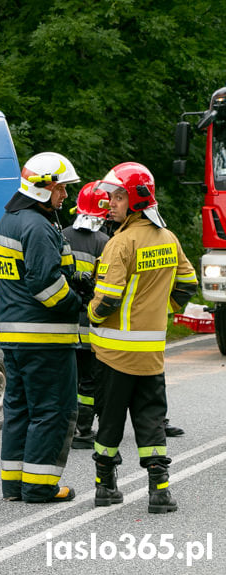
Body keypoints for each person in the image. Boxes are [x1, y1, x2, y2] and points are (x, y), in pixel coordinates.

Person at [87, 162, 197, 513]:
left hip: (114, 355)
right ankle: (160, 492)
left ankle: (105, 487)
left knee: (111, 422)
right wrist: (162, 309)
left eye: (118, 196)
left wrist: (89, 315)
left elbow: (107, 299)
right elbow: (188, 283)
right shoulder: (169, 238)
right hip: (151, 355)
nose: (110, 203)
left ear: (134, 200)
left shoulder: (120, 243)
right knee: (151, 422)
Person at [0, 152, 86, 503]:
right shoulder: (38, 226)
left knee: (20, 411)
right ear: (44, 187)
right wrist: (77, 301)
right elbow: (44, 285)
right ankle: (41, 486)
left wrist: (16, 298)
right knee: (53, 411)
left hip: (13, 338)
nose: (65, 196)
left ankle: (14, 485)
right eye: (61, 188)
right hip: (46, 338)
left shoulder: (7, 222)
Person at [63, 182, 110, 449]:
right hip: (92, 326)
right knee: (89, 383)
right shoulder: (106, 243)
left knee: (67, 380)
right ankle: (84, 430)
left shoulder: (61, 236)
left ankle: (65, 429)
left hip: (63, 324)